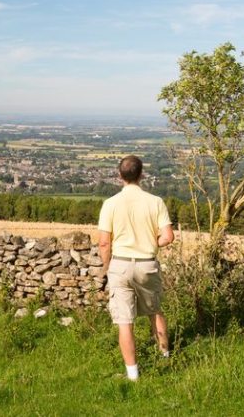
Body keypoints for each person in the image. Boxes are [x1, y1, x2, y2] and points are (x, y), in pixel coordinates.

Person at [98, 155, 174, 381]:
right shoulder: (155, 202)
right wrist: (151, 243)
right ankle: (165, 356)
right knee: (155, 311)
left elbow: (104, 242)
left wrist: (106, 267)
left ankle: (133, 375)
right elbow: (168, 237)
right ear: (142, 175)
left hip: (120, 264)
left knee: (125, 321)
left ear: (119, 175)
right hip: (147, 263)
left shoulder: (110, 204)